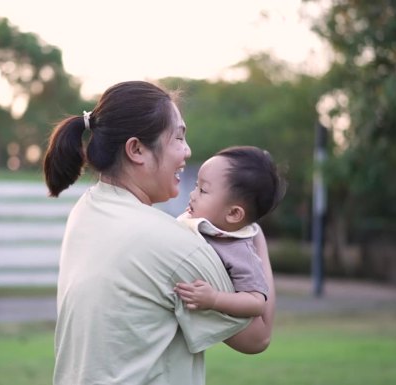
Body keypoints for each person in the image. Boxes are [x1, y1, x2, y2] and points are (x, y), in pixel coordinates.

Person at [43, 81, 276, 385]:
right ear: (136, 149)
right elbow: (257, 336)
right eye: (178, 137)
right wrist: (252, 236)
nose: (187, 151)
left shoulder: (86, 210)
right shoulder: (174, 244)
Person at [174, 146, 286, 319]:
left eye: (203, 190)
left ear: (233, 214)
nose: (192, 195)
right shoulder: (196, 223)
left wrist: (214, 299)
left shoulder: (239, 250)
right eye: (197, 186)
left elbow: (256, 303)